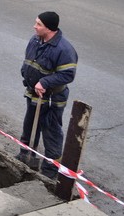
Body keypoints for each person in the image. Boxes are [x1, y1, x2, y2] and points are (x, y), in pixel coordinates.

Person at [17, 11, 78, 179]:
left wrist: (45, 82)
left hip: (51, 99)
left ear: (49, 29)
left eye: (39, 24)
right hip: (33, 94)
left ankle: (51, 170)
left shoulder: (64, 50)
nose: (34, 26)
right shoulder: (35, 40)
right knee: (29, 128)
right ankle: (26, 157)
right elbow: (29, 61)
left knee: (51, 132)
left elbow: (67, 75)